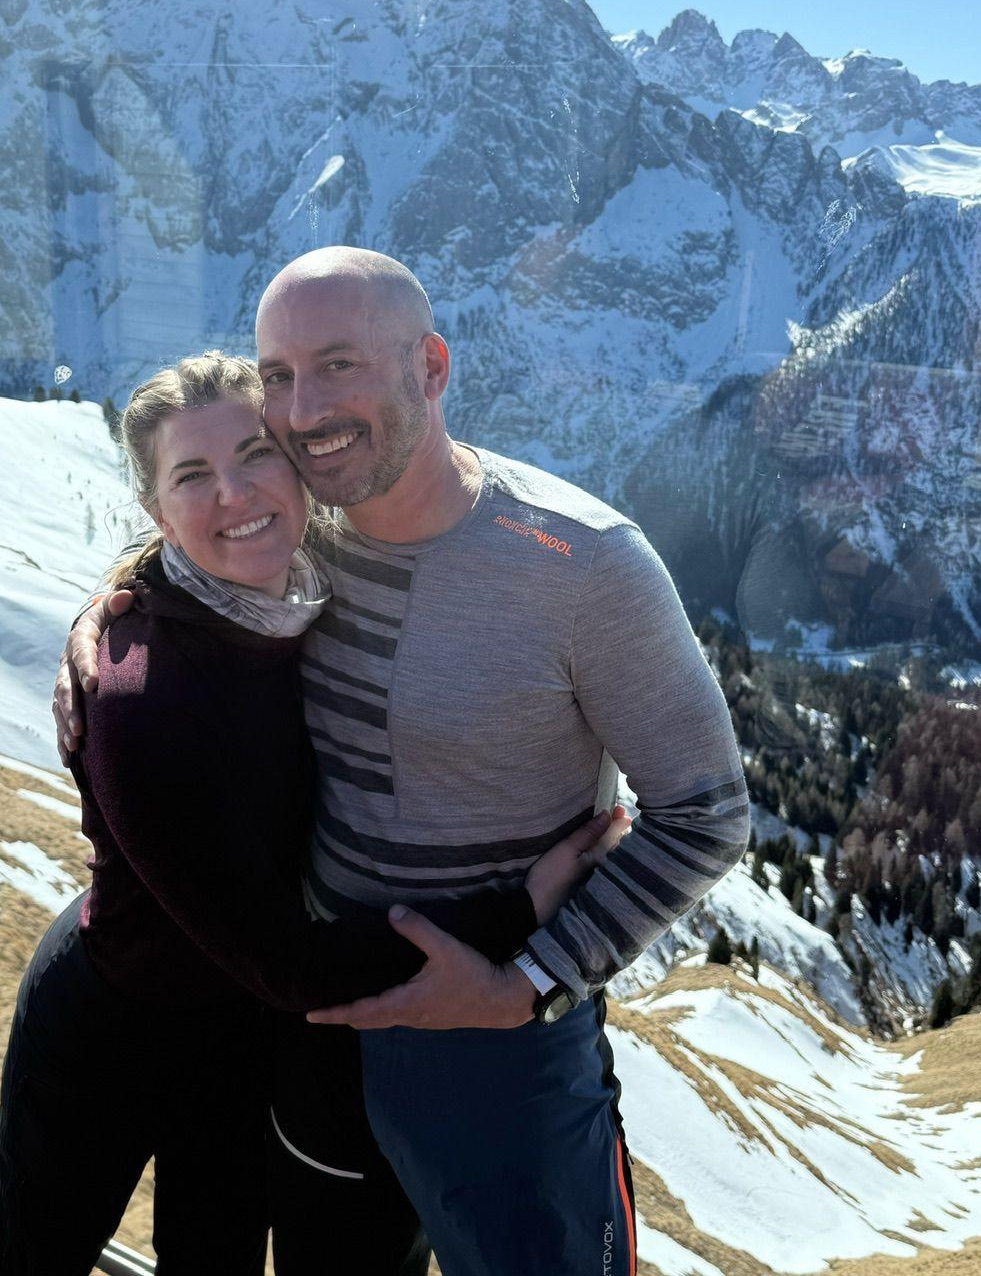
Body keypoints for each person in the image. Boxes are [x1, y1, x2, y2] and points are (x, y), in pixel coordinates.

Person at [56, 249, 753, 1276]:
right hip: (320, 1028)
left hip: (503, 1048)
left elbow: (707, 814)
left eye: (340, 365)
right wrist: (100, 640)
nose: (303, 410)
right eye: (280, 375)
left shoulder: (584, 563)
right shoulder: (298, 532)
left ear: (430, 366)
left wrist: (526, 985)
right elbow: (186, 563)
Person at [0, 351, 627, 1276]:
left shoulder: (307, 594)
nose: (235, 494)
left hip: (240, 1033)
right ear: (155, 510)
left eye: (256, 454)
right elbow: (289, 962)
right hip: (120, 1025)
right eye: (192, 477)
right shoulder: (141, 699)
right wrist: (517, 907)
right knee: (26, 1250)